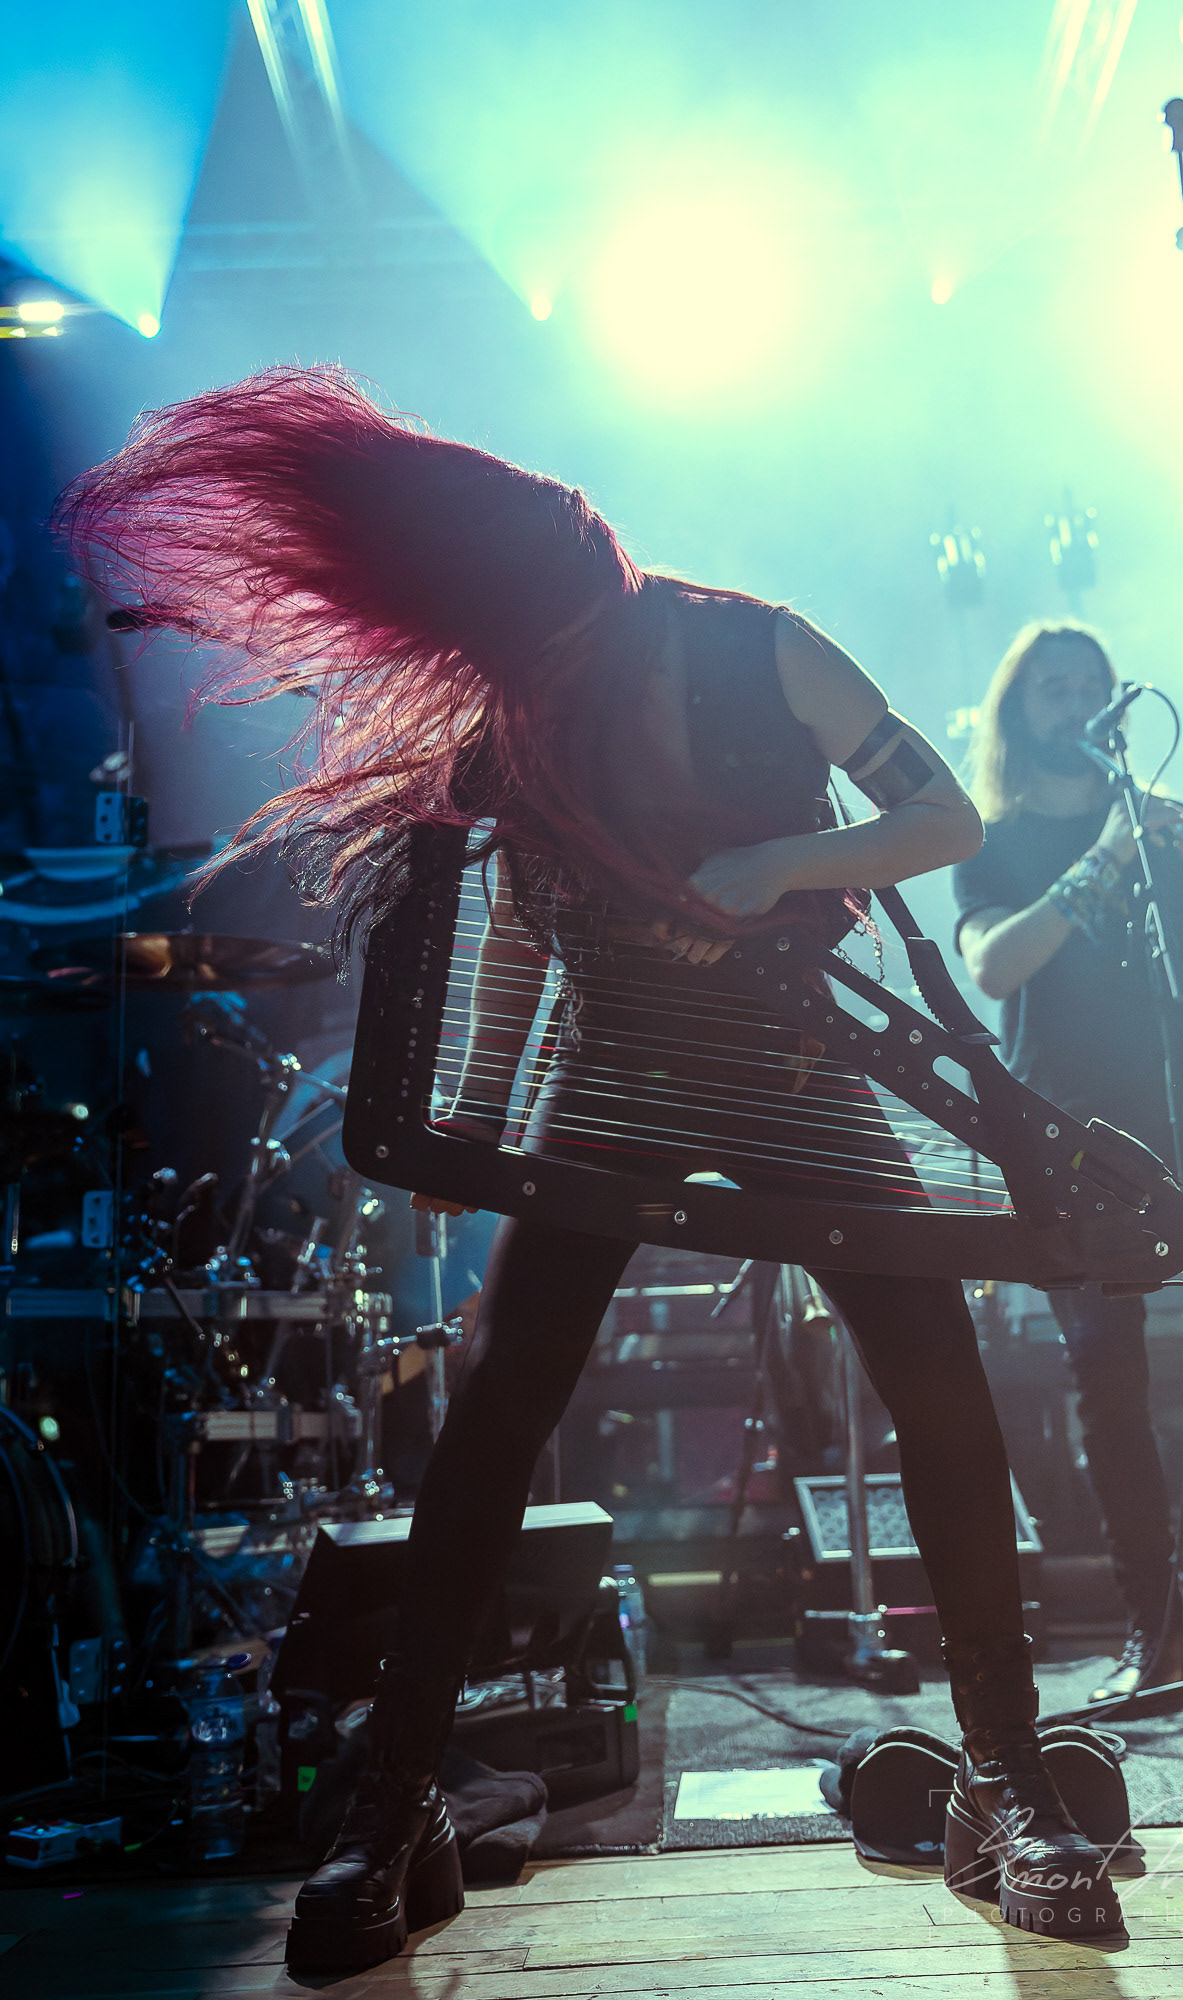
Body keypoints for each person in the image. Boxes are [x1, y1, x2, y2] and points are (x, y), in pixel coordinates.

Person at [64, 369, 1124, 1965]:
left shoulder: (761, 642)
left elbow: (946, 820)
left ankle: (1005, 1784)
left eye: (557, 645)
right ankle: (396, 1799)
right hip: (614, 1078)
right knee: (492, 1412)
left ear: (602, 593)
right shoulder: (514, 701)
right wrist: (467, 1123)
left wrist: (778, 858)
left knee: (944, 1396)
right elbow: (502, 943)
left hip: (789, 1059)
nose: (545, 670)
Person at [953, 618, 1183, 1707]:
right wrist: (1106, 856)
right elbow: (990, 964)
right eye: (1054, 689)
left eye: (1093, 686)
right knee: (1105, 1375)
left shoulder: (1157, 829)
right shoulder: (994, 837)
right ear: (1019, 713)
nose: (1077, 705)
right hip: (1075, 1127)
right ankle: (1157, 1631)